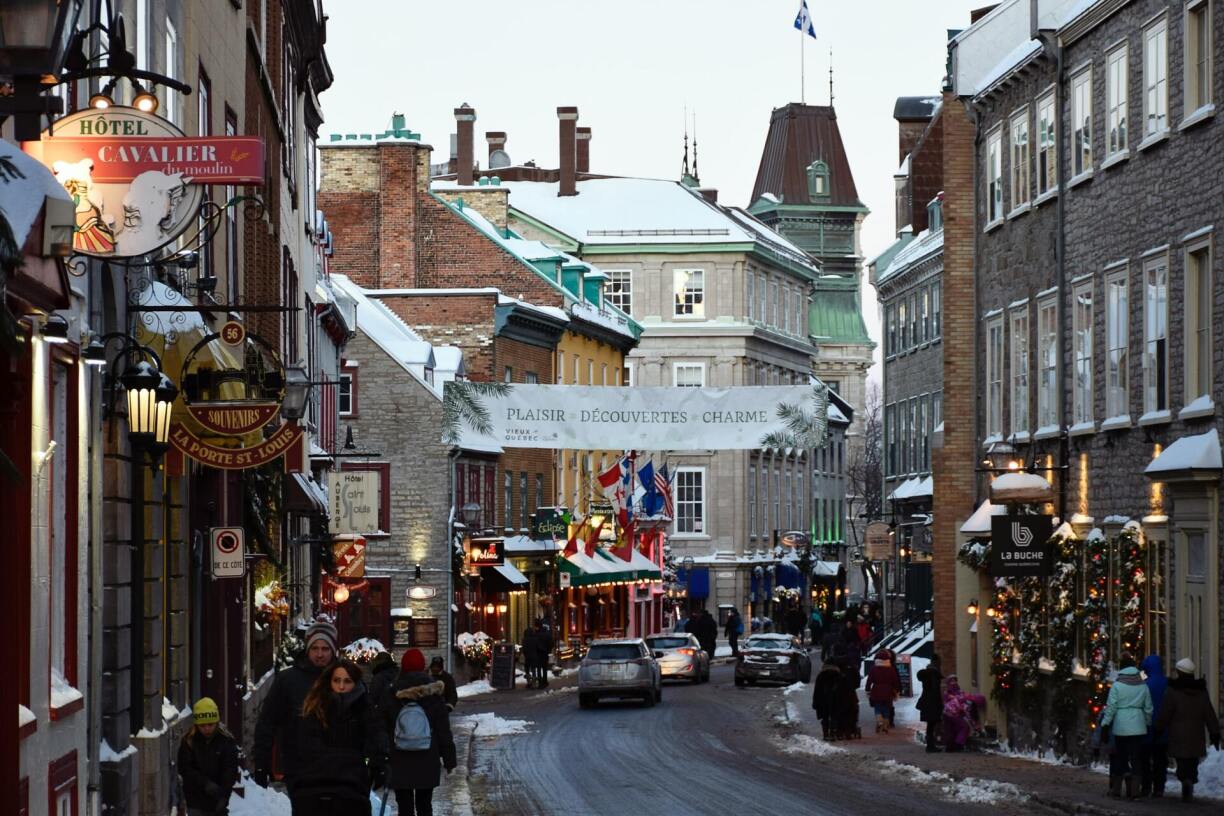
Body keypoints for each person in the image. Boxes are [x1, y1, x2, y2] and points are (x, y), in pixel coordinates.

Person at [292, 659, 388, 816]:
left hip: (353, 783)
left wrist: (379, 762)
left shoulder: (365, 708)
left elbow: (376, 734)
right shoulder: (316, 708)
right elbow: (305, 742)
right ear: (330, 681)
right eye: (337, 680)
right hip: (318, 782)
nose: (341, 686)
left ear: (355, 683)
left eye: (347, 681)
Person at [252, 616, 338, 792]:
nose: (320, 654)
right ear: (307, 650)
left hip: (339, 768)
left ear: (333, 650)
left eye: (325, 649)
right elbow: (267, 722)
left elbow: (367, 720)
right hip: (299, 768)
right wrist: (262, 762)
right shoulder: (288, 680)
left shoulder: (345, 678)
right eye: (315, 648)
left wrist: (377, 758)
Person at [386, 649, 458, 816]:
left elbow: (382, 726)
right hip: (427, 757)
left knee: (404, 807)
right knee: (425, 805)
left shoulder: (391, 692)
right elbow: (443, 731)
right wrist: (449, 761)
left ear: (402, 667)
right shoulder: (433, 694)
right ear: (423, 667)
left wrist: (382, 756)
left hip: (399, 759)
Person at [1154, 657, 1221, 802]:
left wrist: (1158, 729)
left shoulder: (1173, 691)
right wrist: (1214, 732)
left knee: (1182, 760)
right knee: (1192, 761)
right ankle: (1190, 778)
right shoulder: (1201, 691)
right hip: (1196, 734)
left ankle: (1185, 779)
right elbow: (1209, 713)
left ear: (1179, 672)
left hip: (1178, 733)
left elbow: (1166, 712)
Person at [1100, 652, 1153, 800]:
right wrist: (1147, 723)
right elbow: (1149, 708)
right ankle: (1135, 791)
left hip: (1121, 726)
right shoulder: (1143, 685)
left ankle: (1117, 789)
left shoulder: (1117, 685)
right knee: (1136, 758)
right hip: (1138, 726)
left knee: (1120, 756)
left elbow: (1111, 707)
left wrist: (1105, 725)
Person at [177, 697, 239, 816]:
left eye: (210, 724)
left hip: (217, 799)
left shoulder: (226, 741)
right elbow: (185, 768)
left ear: (216, 722)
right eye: (202, 725)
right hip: (195, 800)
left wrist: (224, 796)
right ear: (196, 725)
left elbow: (230, 770)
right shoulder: (189, 741)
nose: (207, 729)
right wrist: (205, 783)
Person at [1138, 654, 1169, 797]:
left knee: (1145, 759)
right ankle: (1159, 787)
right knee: (1160, 759)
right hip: (1163, 727)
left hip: (1146, 726)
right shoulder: (1167, 683)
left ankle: (1146, 787)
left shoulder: (1145, 685)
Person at [866, 648, 902, 734]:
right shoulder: (891, 669)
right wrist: (897, 690)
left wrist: (867, 689)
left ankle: (879, 721)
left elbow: (869, 680)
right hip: (888, 691)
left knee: (877, 707)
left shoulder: (874, 668)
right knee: (886, 708)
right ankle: (885, 725)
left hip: (876, 690)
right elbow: (895, 680)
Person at [917, 654, 943, 752]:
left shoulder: (927, 674)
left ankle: (930, 745)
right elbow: (935, 691)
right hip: (932, 703)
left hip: (927, 702)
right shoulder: (934, 674)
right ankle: (930, 746)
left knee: (930, 725)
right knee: (931, 725)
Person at [812, 657, 842, 740]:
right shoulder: (838, 675)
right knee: (834, 717)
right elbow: (841, 689)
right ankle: (832, 733)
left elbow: (817, 690)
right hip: (835, 699)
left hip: (823, 700)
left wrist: (815, 702)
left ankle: (825, 734)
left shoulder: (821, 675)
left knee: (825, 717)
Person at [941, 674, 973, 751]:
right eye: (952, 681)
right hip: (952, 713)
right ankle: (957, 745)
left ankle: (951, 747)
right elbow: (958, 702)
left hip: (950, 713)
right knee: (963, 727)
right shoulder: (949, 693)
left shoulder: (955, 692)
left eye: (955, 680)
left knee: (952, 729)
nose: (953, 682)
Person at [366, 651, 399, 719]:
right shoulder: (398, 674)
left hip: (382, 716)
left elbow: (373, 698)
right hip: (398, 713)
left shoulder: (378, 677)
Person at [532, 619, 554, 688]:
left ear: (537, 626)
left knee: (538, 668)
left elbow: (534, 644)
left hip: (538, 653)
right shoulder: (547, 634)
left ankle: (540, 682)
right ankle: (545, 681)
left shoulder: (536, 634)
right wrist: (548, 650)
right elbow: (551, 643)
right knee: (544, 668)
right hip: (545, 653)